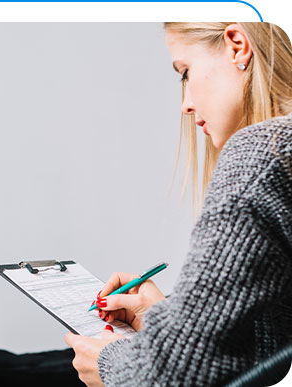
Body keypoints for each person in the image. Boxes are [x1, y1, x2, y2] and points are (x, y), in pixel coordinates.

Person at [65, 22, 292, 386]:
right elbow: (280, 350)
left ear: (237, 46)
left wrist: (109, 363)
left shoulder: (262, 154)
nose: (185, 104)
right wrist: (174, 321)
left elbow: (169, 376)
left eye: (185, 73)